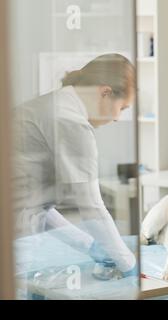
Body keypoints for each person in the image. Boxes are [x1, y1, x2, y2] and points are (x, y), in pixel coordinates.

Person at [13, 54, 137, 277]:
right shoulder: (70, 121)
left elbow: (34, 206)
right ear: (106, 92)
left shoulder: (51, 105)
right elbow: (91, 207)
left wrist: (89, 245)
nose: (118, 118)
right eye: (123, 108)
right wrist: (129, 265)